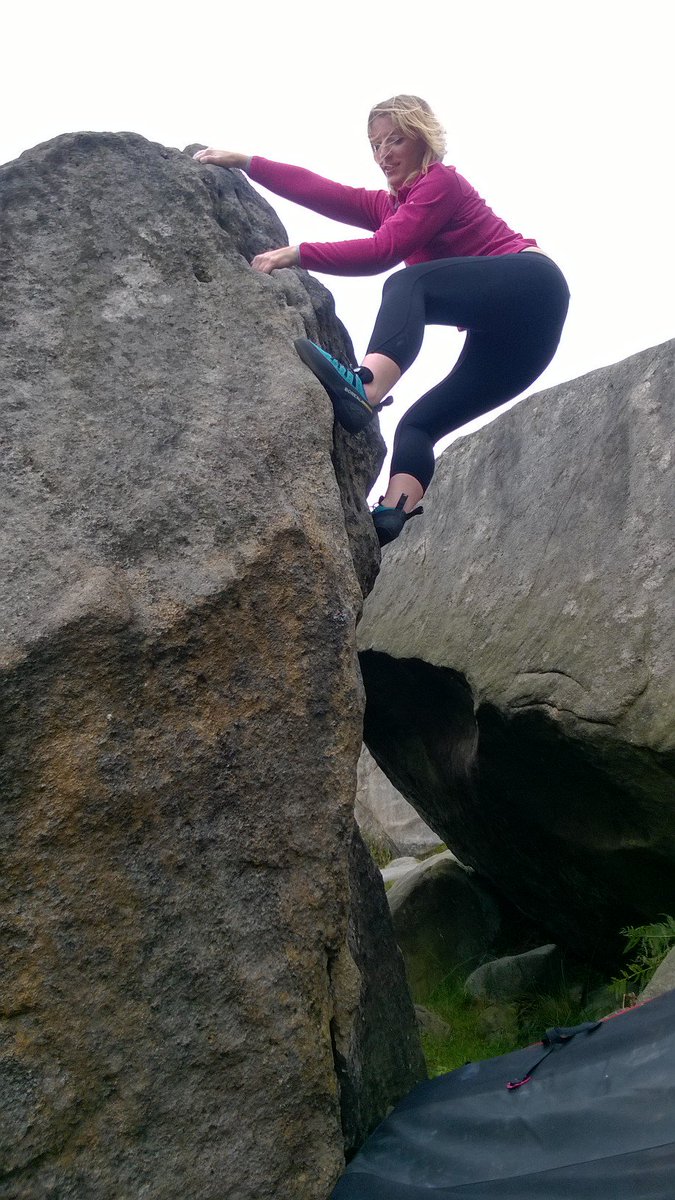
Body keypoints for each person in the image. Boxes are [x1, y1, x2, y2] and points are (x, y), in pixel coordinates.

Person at [194, 96, 570, 546]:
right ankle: (391, 514)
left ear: (422, 139)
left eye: (395, 140)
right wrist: (248, 162)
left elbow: (382, 253)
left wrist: (298, 253)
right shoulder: (391, 206)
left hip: (534, 285)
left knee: (408, 284)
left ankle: (365, 386)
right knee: (418, 424)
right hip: (518, 342)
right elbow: (323, 191)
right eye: (375, 145)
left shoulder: (439, 183)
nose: (383, 154)